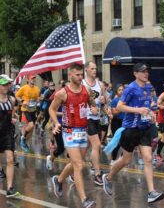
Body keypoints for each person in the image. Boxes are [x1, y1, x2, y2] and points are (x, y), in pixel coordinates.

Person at [102, 63, 164, 204]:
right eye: (142, 71)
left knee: (148, 158)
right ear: (135, 73)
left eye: (147, 71)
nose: (145, 73)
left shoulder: (148, 87)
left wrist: (151, 113)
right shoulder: (130, 88)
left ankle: (151, 192)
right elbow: (119, 106)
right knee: (126, 160)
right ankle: (108, 177)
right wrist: (138, 110)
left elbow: (148, 106)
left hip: (145, 128)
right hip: (131, 129)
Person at [49, 63, 97, 208]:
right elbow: (52, 109)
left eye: (81, 74)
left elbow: (92, 104)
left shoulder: (87, 90)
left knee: (76, 162)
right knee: (78, 165)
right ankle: (84, 200)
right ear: (70, 75)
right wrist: (56, 123)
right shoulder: (62, 93)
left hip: (83, 130)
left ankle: (59, 179)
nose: (80, 77)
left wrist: (94, 108)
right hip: (69, 131)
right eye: (77, 75)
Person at [82, 61, 104, 186]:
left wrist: (104, 101)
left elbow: (105, 100)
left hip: (97, 118)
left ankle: (74, 169)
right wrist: (89, 108)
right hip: (86, 118)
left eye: (95, 68)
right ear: (86, 70)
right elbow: (78, 102)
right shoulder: (82, 84)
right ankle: (97, 174)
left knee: (86, 148)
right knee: (97, 145)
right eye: (92, 68)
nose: (95, 70)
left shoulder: (100, 85)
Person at [0, 77, 19, 197]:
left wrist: (12, 119)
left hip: (8, 132)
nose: (6, 87)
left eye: (7, 85)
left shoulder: (11, 99)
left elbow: (12, 113)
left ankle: (10, 188)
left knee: (10, 159)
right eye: (3, 85)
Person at [16, 74, 40, 152]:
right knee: (31, 125)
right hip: (25, 109)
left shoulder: (37, 89)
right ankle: (23, 138)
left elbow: (36, 100)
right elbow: (17, 96)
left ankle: (25, 142)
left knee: (32, 129)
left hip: (33, 110)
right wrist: (23, 101)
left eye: (34, 79)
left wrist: (39, 100)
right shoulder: (24, 88)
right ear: (28, 80)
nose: (33, 80)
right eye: (32, 79)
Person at [110, 84, 125, 164]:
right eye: (119, 90)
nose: (121, 91)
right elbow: (114, 112)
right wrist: (121, 108)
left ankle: (123, 159)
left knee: (125, 142)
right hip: (116, 122)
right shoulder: (115, 100)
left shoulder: (126, 100)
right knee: (117, 142)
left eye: (122, 89)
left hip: (125, 123)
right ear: (117, 91)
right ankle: (113, 159)